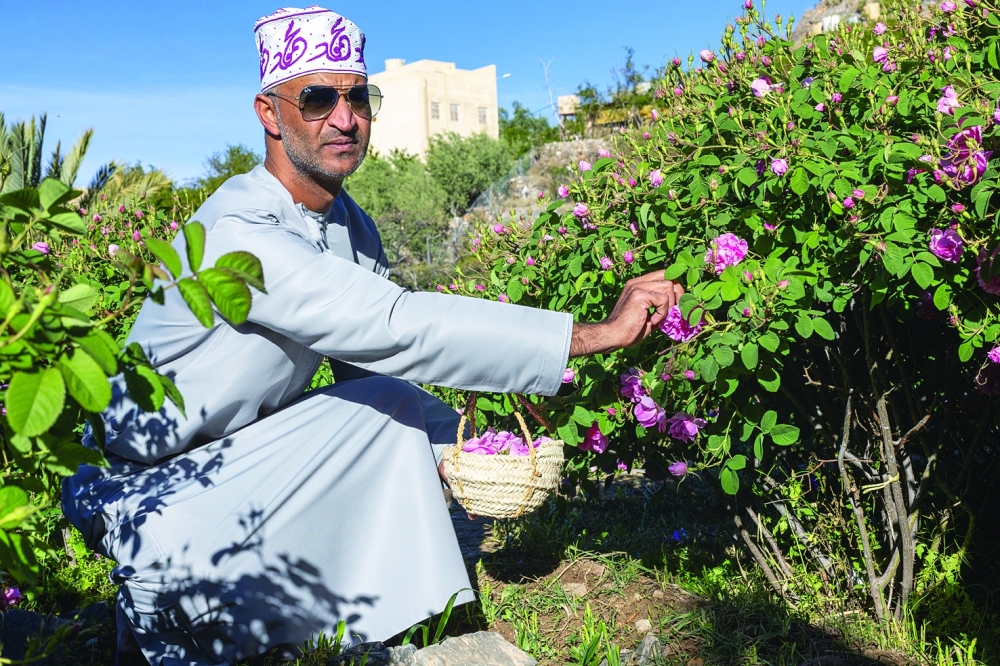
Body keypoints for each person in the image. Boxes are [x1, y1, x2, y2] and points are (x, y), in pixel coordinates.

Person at [62, 6, 684, 665]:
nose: (345, 118)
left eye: (359, 97)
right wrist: (595, 334)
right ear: (269, 113)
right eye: (317, 99)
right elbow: (396, 326)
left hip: (233, 460)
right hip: (143, 492)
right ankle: (165, 604)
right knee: (386, 408)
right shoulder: (240, 230)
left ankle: (307, 617)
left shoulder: (350, 225)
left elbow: (377, 371)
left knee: (391, 405)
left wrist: (466, 450)